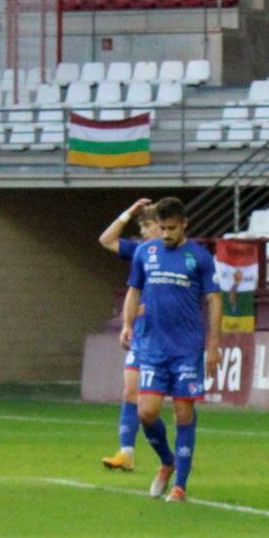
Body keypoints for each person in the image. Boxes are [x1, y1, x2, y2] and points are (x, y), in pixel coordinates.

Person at [119, 196, 221, 504]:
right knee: (147, 412)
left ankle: (180, 485)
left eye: (172, 228)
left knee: (183, 414)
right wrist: (127, 324)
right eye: (162, 228)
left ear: (185, 224)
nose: (166, 234)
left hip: (187, 349)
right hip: (153, 348)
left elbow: (214, 301)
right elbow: (134, 290)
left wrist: (213, 346)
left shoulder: (199, 258)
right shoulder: (144, 252)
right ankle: (167, 460)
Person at [97, 198, 160, 471]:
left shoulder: (183, 255)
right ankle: (127, 454)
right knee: (130, 393)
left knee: (154, 406)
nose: (144, 232)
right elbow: (106, 239)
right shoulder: (141, 251)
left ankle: (171, 458)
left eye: (148, 225)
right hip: (143, 334)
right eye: (142, 225)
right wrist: (128, 213)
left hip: (168, 337)